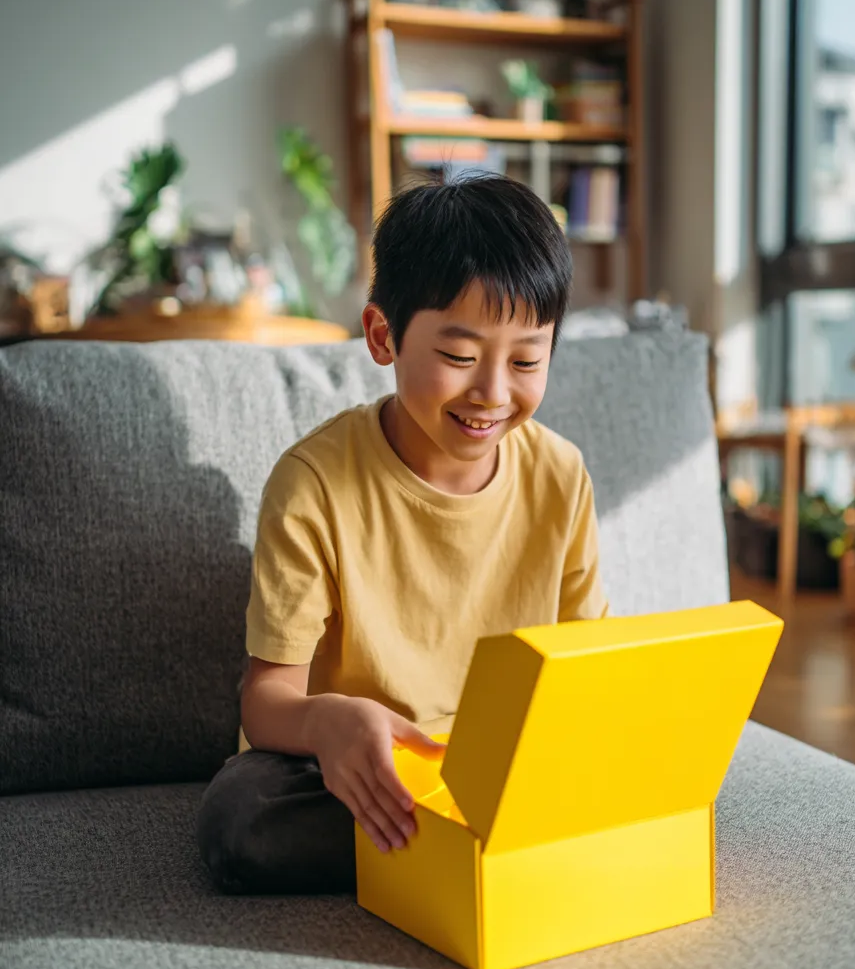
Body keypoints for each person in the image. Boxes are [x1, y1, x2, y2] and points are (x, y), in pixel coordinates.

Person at [197, 174, 608, 895]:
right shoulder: (313, 485)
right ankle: (477, 847)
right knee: (242, 819)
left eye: (526, 360)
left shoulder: (561, 475)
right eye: (459, 356)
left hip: (497, 758)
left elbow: (587, 667)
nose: (493, 392)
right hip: (349, 763)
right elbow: (265, 703)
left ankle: (457, 843)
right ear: (384, 336)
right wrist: (328, 725)